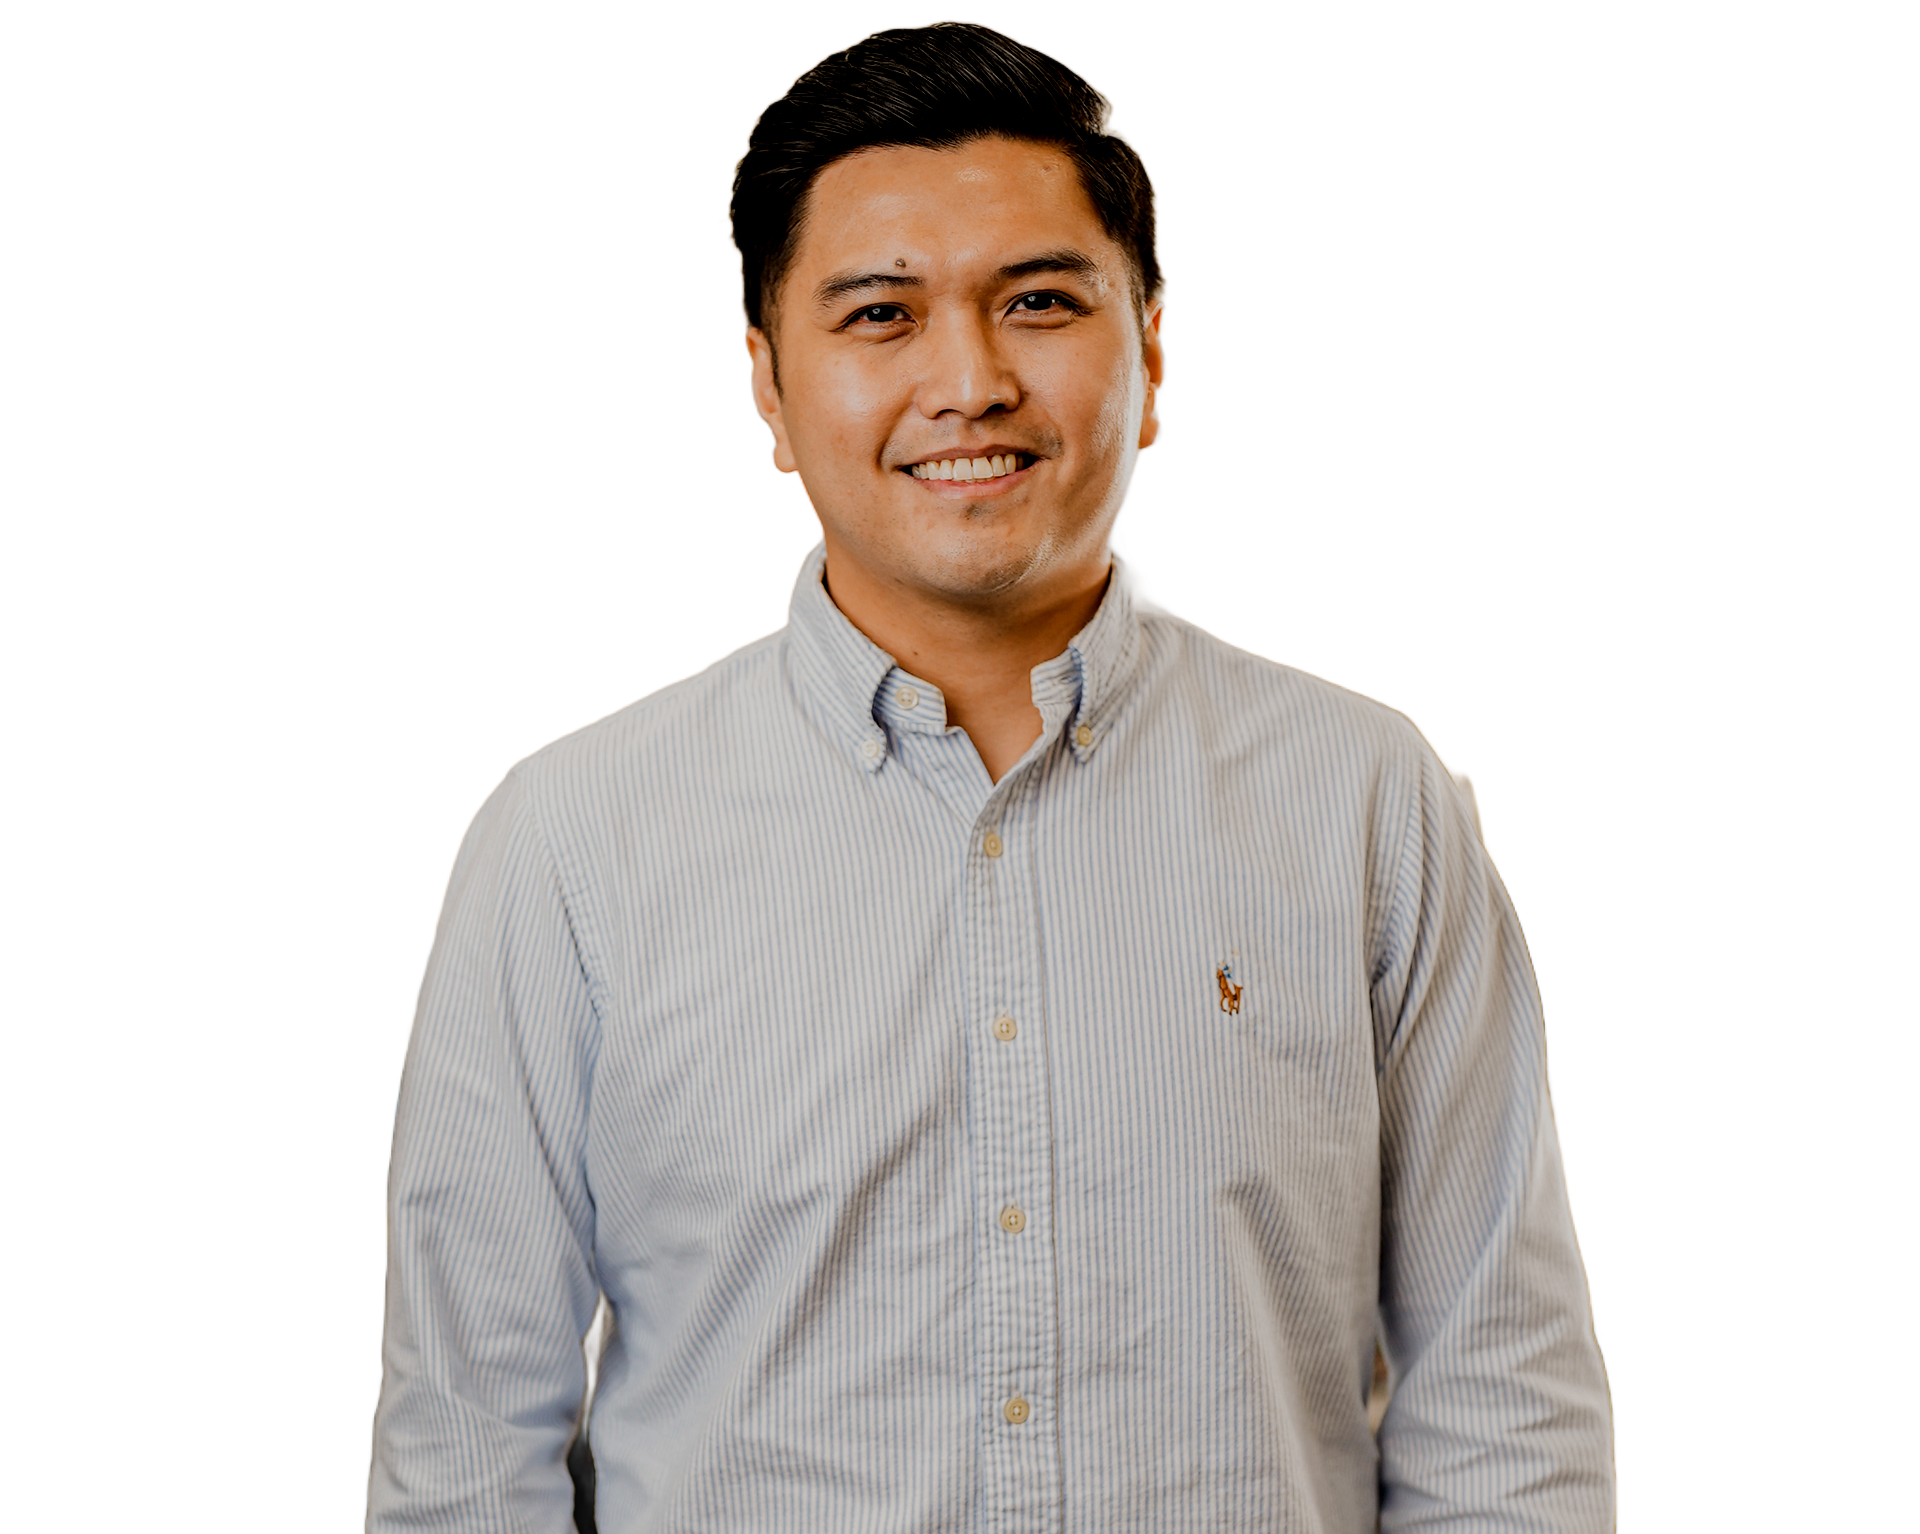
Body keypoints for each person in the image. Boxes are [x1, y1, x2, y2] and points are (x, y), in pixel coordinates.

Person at [368, 20, 1615, 1532]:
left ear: (1152, 351)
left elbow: (1502, 1400)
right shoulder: (570, 839)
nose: (967, 382)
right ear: (766, 381)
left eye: (1037, 302)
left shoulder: (1363, 800)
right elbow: (465, 1453)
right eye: (880, 315)